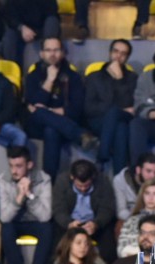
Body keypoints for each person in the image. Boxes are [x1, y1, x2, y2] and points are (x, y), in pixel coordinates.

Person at [24, 37, 99, 178]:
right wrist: (50, 80)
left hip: (65, 123)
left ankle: (49, 182)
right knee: (39, 114)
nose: (52, 54)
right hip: (37, 126)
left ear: (63, 53)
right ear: (41, 54)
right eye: (48, 50)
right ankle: (79, 134)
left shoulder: (73, 77)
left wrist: (49, 111)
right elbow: (32, 105)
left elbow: (77, 108)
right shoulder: (33, 76)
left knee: (51, 129)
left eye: (56, 50)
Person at [0, 145, 54, 264]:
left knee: (48, 228)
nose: (14, 171)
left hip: (35, 222)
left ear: (29, 165)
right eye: (11, 165)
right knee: (6, 229)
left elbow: (45, 216)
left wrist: (29, 195)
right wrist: (19, 198)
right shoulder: (3, 180)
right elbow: (4, 217)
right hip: (15, 223)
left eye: (18, 166)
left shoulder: (43, 179)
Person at [84, 39, 137, 174]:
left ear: (127, 57)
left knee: (119, 120)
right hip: (98, 121)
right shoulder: (93, 77)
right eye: (116, 51)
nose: (118, 56)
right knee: (120, 127)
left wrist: (119, 79)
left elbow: (130, 105)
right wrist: (114, 109)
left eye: (123, 54)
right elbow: (89, 108)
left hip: (123, 118)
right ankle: (120, 178)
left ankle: (102, 158)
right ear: (109, 53)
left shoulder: (132, 78)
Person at [51, 159, 117, 264]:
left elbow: (107, 208)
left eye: (86, 186)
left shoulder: (103, 181)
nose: (83, 189)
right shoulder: (62, 181)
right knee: (55, 245)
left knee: (109, 249)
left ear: (92, 178)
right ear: (72, 177)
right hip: (70, 223)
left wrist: (96, 223)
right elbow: (58, 209)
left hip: (95, 223)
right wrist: (69, 223)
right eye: (79, 186)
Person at [117, 178, 155, 259]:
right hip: (132, 263)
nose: (150, 198)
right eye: (147, 193)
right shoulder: (131, 220)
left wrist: (139, 254)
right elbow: (121, 250)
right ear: (142, 195)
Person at [1, 0, 59, 69]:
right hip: (21, 29)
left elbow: (52, 12)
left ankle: (50, 65)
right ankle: (13, 70)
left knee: (52, 21)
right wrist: (21, 27)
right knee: (9, 37)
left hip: (43, 28)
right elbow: (9, 16)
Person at [112, 152, 155, 225]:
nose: (153, 176)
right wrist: (139, 219)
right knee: (119, 224)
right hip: (132, 218)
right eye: (148, 171)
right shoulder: (120, 180)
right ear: (138, 170)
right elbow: (121, 211)